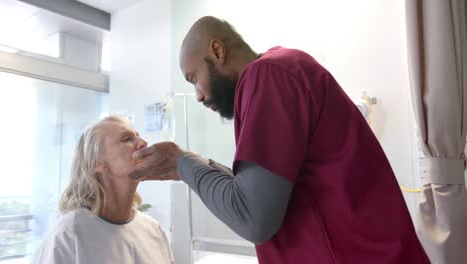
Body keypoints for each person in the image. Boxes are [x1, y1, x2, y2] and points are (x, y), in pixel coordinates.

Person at [129, 16, 431, 263]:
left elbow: (253, 218)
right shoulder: (284, 69)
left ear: (217, 51)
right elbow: (253, 194)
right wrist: (189, 166)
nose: (197, 96)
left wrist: (183, 163)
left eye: (193, 78)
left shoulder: (268, 76)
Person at [34, 116, 174, 264]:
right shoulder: (68, 235)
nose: (143, 143)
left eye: (138, 136)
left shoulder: (153, 230)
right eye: (127, 139)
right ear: (97, 163)